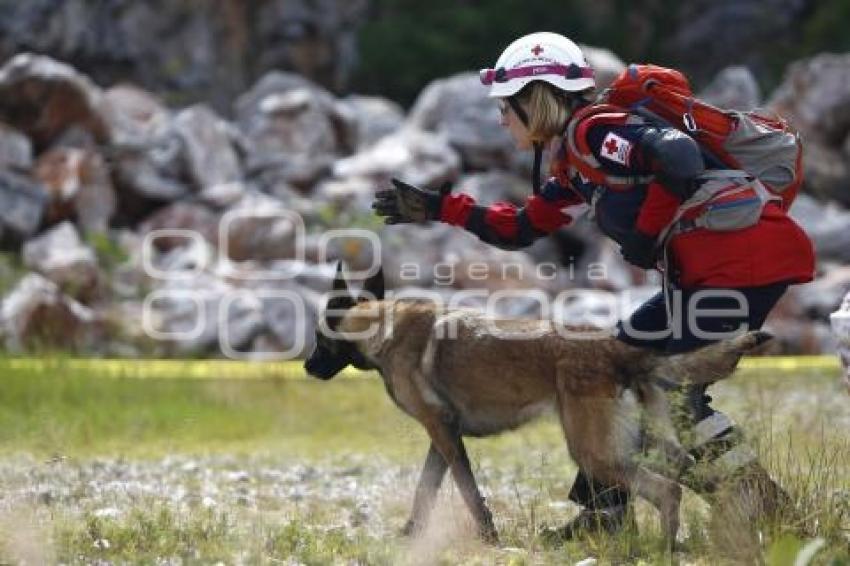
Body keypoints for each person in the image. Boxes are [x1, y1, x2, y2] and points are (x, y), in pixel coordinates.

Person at [371, 32, 815, 538]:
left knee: (673, 400)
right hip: (709, 273)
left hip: (744, 264)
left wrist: (646, 234)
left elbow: (679, 157)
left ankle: (766, 511)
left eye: (506, 106)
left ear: (536, 98)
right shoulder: (578, 167)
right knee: (606, 369)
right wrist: (438, 207)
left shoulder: (596, 131)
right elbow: (519, 228)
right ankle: (606, 518)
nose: (501, 119)